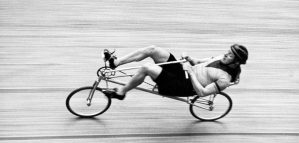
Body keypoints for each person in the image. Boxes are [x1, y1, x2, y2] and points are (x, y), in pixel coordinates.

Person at [103, 44, 248, 100]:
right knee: (153, 49)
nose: (225, 55)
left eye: (229, 55)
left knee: (147, 67)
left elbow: (202, 93)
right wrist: (189, 58)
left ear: (235, 62)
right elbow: (197, 63)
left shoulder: (225, 79)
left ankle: (122, 92)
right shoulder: (220, 58)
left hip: (184, 85)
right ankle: (115, 63)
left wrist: (190, 73)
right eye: (227, 52)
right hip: (183, 72)